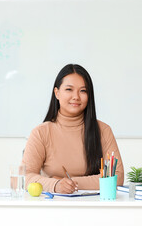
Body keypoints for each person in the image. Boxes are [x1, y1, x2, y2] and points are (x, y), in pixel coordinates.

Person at [22, 64, 124, 193]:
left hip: (95, 206)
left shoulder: (103, 130)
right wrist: (56, 184)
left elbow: (117, 177)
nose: (76, 96)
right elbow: (25, 177)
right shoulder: (41, 132)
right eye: (69, 89)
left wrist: (69, 182)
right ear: (57, 93)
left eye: (83, 91)